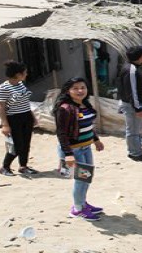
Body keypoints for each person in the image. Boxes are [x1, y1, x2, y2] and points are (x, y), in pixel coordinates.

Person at [54, 77, 105, 221]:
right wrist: (68, 154)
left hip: (86, 147)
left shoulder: (85, 105)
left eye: (83, 87)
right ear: (68, 91)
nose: (80, 91)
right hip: (74, 150)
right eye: (75, 88)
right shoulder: (64, 109)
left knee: (87, 177)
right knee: (81, 179)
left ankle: (82, 203)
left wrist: (96, 140)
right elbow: (61, 133)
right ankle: (77, 209)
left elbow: (87, 125)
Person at [0, 60, 37, 176]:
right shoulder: (3, 88)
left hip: (26, 116)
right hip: (14, 119)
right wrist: (5, 124)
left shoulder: (20, 85)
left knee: (26, 143)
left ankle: (23, 166)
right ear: (18, 74)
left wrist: (32, 116)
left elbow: (25, 102)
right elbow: (1, 107)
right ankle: (5, 167)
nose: (26, 74)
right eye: (25, 72)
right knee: (17, 145)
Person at [117, 45, 142, 162]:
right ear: (141, 56)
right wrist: (137, 108)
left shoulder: (131, 67)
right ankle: (135, 153)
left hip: (133, 104)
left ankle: (138, 149)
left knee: (137, 129)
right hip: (132, 106)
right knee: (132, 130)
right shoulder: (131, 70)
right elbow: (132, 91)